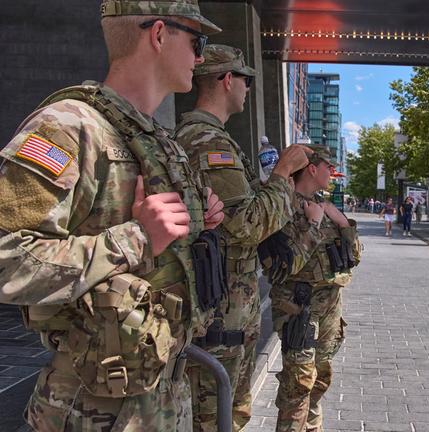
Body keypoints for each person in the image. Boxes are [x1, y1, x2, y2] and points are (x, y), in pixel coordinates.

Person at [0, 1, 227, 430]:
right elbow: (6, 255)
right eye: (197, 42)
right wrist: (137, 237)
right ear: (159, 34)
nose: (201, 59)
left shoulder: (157, 140)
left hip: (161, 393)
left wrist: (198, 221)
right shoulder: (69, 127)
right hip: (93, 408)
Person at [173, 44, 313, 431]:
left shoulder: (214, 139)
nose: (249, 88)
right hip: (220, 320)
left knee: (228, 417)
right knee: (217, 420)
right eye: (246, 79)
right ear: (227, 79)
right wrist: (283, 173)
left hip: (227, 317)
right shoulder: (208, 143)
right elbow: (247, 223)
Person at [264, 145, 361, 432]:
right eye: (328, 168)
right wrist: (314, 224)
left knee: (319, 379)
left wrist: (343, 223)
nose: (331, 173)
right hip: (299, 309)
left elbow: (352, 258)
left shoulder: (324, 204)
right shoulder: (283, 205)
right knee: (298, 385)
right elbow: (282, 266)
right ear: (311, 168)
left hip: (329, 305)